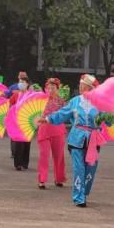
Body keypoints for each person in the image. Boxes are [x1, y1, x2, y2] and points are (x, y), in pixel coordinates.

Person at [46, 74, 104, 208]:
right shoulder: (75, 101)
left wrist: (106, 119)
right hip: (76, 139)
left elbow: (109, 119)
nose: (80, 87)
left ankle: (84, 190)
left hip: (93, 140)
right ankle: (79, 197)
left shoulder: (100, 103)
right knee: (79, 168)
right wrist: (48, 119)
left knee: (90, 170)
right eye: (80, 84)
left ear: (89, 87)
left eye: (82, 85)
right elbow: (63, 113)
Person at [35, 78, 67, 190]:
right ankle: (42, 180)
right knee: (44, 155)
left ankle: (59, 178)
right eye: (48, 87)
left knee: (59, 156)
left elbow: (66, 114)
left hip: (58, 130)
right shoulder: (39, 100)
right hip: (44, 130)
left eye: (53, 87)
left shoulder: (62, 101)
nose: (50, 89)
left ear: (57, 89)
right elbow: (34, 114)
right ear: (45, 89)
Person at [6, 71, 32, 170]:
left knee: (26, 143)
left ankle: (25, 163)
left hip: (28, 122)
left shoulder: (31, 95)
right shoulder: (16, 95)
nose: (21, 84)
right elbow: (9, 104)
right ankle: (18, 164)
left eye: (23, 82)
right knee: (18, 143)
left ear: (27, 84)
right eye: (20, 82)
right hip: (17, 122)